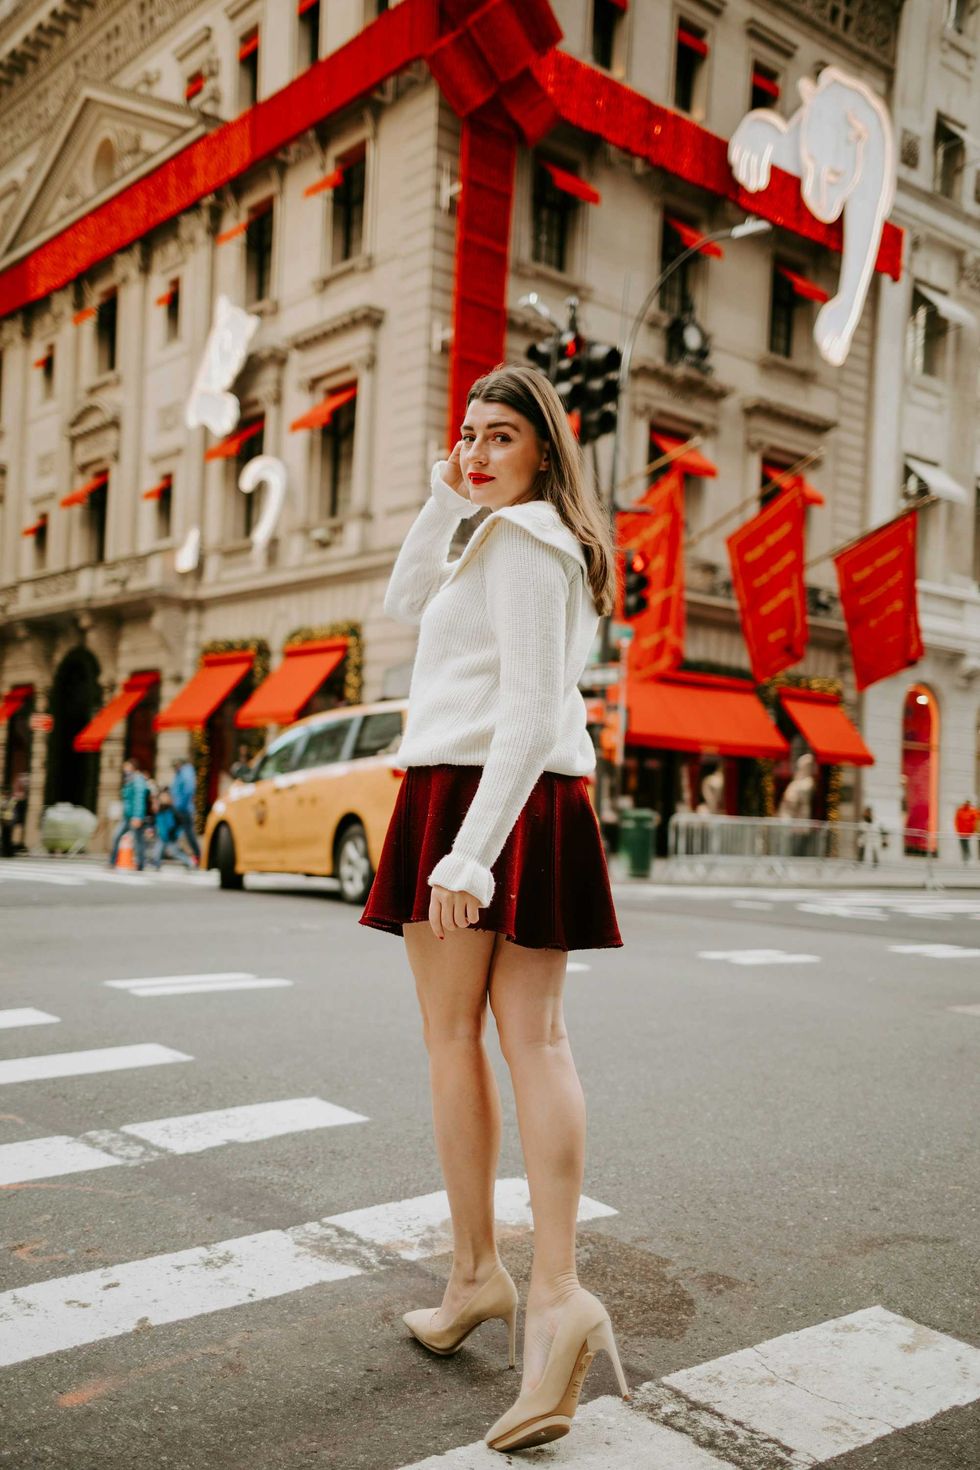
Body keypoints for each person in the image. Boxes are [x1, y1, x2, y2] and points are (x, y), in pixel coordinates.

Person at [359, 365, 628, 1452]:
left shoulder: (520, 540)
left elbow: (526, 708)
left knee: (462, 1039)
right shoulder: (513, 535)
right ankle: (496, 1280)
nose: (475, 452)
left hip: (479, 790)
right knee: (533, 1040)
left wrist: (467, 857)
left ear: (543, 450)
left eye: (500, 435)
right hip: (520, 794)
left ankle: (537, 1287)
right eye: (466, 435)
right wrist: (442, 496)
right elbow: (399, 603)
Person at [108, 759, 149, 869]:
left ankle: (140, 864)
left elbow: (139, 799)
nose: (125, 770)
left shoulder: (138, 780)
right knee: (116, 836)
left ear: (133, 768)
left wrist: (137, 816)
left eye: (127, 767)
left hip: (134, 816)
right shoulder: (130, 780)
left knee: (138, 840)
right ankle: (112, 861)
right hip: (127, 816)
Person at [149, 788, 194, 870]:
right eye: (162, 797)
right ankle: (156, 863)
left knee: (175, 852)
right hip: (162, 835)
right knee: (157, 850)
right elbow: (156, 821)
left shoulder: (173, 810)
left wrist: (174, 832)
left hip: (171, 836)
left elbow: (179, 822)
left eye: (165, 797)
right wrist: (153, 829)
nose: (163, 799)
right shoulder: (160, 810)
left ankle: (189, 862)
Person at [170, 755, 201, 863]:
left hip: (183, 809)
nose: (174, 768)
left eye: (175, 765)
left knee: (188, 834)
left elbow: (188, 790)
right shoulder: (182, 773)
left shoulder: (186, 773)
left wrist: (179, 805)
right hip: (180, 808)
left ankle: (196, 856)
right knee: (173, 832)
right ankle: (184, 855)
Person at [954, 798, 977, 863]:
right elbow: (957, 820)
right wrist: (957, 829)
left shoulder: (972, 811)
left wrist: (972, 829)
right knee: (963, 843)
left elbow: (974, 820)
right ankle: (966, 855)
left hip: (967, 831)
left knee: (965, 843)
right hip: (961, 831)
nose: (967, 804)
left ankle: (967, 855)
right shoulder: (960, 810)